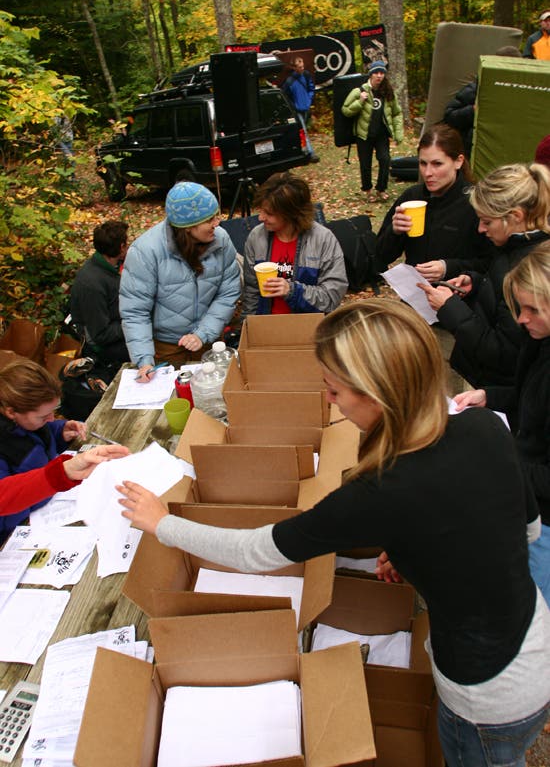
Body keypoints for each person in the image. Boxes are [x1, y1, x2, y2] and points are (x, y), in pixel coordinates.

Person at [118, 299, 550, 767]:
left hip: (486, 694)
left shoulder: (381, 488)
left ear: (376, 394)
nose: (329, 401)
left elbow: (254, 551)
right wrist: (421, 548)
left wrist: (162, 523)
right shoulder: (483, 425)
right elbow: (525, 531)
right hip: (536, 640)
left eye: (334, 390)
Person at [453, 241, 550, 605]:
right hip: (525, 495)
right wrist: (489, 396)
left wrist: (501, 466)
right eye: (519, 308)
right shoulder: (539, 341)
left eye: (533, 309)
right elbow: (530, 399)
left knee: (533, 603)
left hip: (544, 519)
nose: (521, 319)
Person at [419, 163, 550, 387]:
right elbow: (501, 299)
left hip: (495, 387)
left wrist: (450, 308)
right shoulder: (513, 248)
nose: (481, 229)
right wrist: (477, 282)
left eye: (487, 221)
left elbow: (503, 353)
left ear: (516, 216)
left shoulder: (528, 271)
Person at [119, 181, 241, 382]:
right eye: (209, 220)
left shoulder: (221, 241)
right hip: (166, 348)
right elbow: (135, 311)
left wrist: (203, 333)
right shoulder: (145, 252)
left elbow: (228, 293)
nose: (217, 223)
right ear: (188, 227)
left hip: (209, 342)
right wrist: (144, 360)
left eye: (216, 216)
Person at [0, 359, 128, 541]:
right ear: (11, 412)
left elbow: (37, 436)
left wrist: (60, 431)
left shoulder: (25, 420)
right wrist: (60, 474)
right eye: (43, 417)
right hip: (17, 530)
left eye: (54, 412)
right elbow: (4, 497)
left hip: (51, 499)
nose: (51, 419)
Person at [376, 123, 492, 281]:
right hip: (415, 291)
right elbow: (380, 257)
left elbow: (491, 263)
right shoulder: (412, 197)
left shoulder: (476, 203)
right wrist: (394, 232)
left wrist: (448, 268)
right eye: (423, 163)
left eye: (437, 164)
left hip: (457, 293)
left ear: (458, 161)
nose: (428, 173)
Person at [241, 172, 348, 316]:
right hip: (267, 324)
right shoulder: (257, 237)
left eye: (269, 213)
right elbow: (251, 292)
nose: (261, 218)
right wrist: (248, 324)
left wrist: (292, 291)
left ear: (291, 213)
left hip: (309, 324)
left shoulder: (323, 239)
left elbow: (331, 297)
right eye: (261, 210)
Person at [70, 220, 130, 368]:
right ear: (121, 247)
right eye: (126, 243)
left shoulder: (109, 267)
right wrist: (135, 321)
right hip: (103, 349)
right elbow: (100, 335)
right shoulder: (92, 284)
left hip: (118, 328)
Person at [341, 61, 403, 202]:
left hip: (381, 134)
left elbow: (396, 113)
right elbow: (345, 110)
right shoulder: (359, 91)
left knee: (385, 159)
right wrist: (360, 102)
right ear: (370, 75)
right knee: (365, 164)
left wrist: (398, 133)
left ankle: (381, 189)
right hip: (364, 134)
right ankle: (368, 191)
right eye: (376, 73)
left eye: (382, 73)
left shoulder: (388, 92)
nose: (379, 76)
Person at [443, 46, 522, 158]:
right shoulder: (476, 89)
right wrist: (473, 110)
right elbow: (450, 118)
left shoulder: (522, 92)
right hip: (475, 150)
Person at [282, 56, 319, 163]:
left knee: (303, 130)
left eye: (303, 66)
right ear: (294, 68)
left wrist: (309, 99)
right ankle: (310, 153)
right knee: (303, 130)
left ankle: (303, 150)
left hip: (306, 107)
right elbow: (286, 96)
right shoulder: (289, 81)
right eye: (300, 67)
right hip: (297, 110)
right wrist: (293, 107)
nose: (302, 68)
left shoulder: (306, 75)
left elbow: (311, 88)